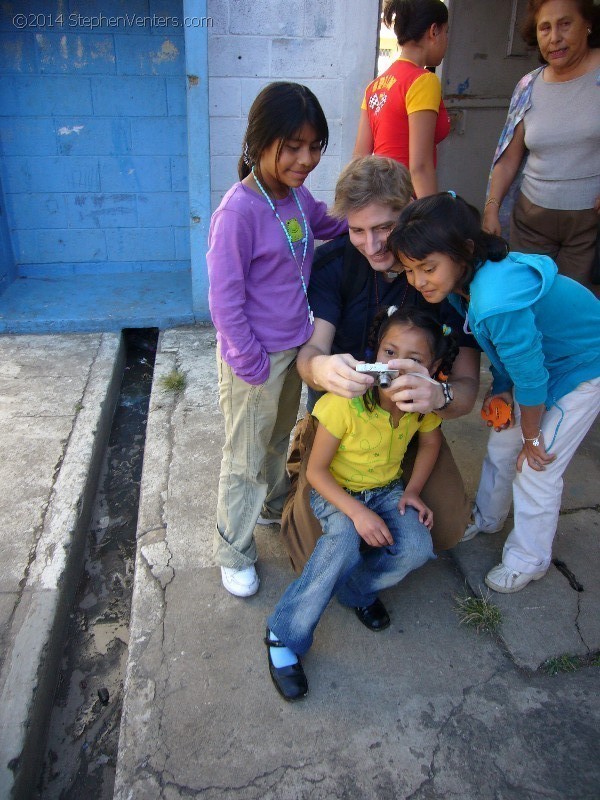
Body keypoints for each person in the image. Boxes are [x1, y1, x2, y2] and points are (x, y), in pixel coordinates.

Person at [388, 191, 600, 593]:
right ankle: (487, 517)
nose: (417, 281)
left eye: (427, 268)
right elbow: (509, 354)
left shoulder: (494, 298)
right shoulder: (464, 283)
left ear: (464, 250)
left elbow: (533, 375)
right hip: (544, 364)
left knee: (537, 465)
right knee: (503, 443)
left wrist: (533, 435)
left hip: (582, 367)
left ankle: (529, 559)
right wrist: (502, 389)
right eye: (410, 270)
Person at [280, 156, 481, 574]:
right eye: (357, 230)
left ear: (408, 210)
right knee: (310, 555)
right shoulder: (334, 264)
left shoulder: (443, 273)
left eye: (384, 229)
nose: (371, 246)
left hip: (409, 424)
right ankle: (307, 463)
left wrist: (439, 394)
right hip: (342, 425)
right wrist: (321, 370)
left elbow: (465, 389)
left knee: (445, 528)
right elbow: (310, 353)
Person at [265, 307, 459, 700]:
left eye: (416, 359)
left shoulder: (419, 406)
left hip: (387, 490)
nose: (398, 365)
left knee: (418, 547)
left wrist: (413, 491)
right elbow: (316, 473)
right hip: (336, 490)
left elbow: (431, 442)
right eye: (389, 352)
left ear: (433, 367)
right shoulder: (345, 403)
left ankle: (355, 592)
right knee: (342, 543)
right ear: (374, 353)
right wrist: (357, 513)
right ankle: (283, 635)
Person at [207, 82, 347, 598]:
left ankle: (270, 507)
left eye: (314, 147)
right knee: (243, 457)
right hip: (255, 359)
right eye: (293, 146)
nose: (306, 158)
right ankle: (232, 550)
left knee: (278, 437)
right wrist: (249, 362)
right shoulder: (238, 211)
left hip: (294, 350)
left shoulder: (295, 196)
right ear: (259, 142)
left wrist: (368, 215)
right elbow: (224, 300)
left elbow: (325, 223)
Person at [482, 0, 600, 294]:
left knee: (576, 305)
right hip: (531, 221)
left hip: (589, 225)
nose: (554, 38)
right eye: (544, 28)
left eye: (565, 24)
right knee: (528, 298)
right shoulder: (528, 86)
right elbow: (509, 158)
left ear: (587, 24)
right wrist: (491, 208)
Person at [353, 0, 450, 197]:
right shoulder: (423, 81)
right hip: (407, 203)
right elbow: (420, 167)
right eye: (446, 32)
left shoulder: (374, 87)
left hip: (381, 201)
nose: (447, 40)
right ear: (434, 31)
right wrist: (431, 218)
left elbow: (359, 158)